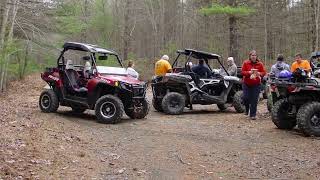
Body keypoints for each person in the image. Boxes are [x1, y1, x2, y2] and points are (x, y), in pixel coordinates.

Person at [241, 50, 266, 120]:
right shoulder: (246, 63)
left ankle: (253, 115)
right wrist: (249, 72)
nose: (253, 57)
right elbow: (242, 72)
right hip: (247, 83)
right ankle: (246, 108)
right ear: (250, 56)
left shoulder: (260, 64)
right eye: (252, 55)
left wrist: (259, 74)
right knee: (245, 98)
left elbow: (264, 72)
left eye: (255, 55)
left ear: (256, 56)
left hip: (256, 84)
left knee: (254, 99)